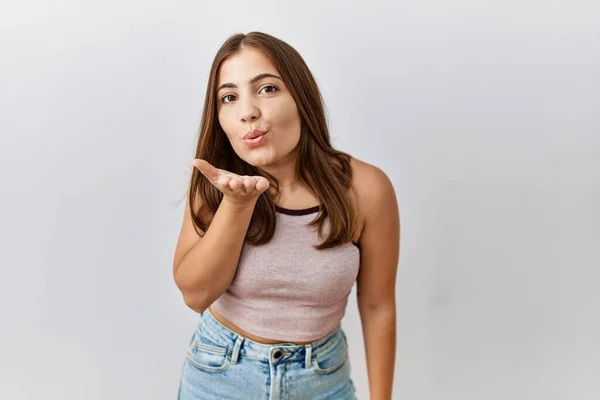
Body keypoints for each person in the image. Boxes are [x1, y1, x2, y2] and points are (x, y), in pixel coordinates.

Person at [172, 31, 400, 400]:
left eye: (266, 89)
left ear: (300, 98)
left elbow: (378, 305)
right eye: (229, 97)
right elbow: (195, 295)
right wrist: (237, 206)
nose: (248, 111)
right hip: (220, 377)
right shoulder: (215, 183)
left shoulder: (366, 189)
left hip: (323, 380)